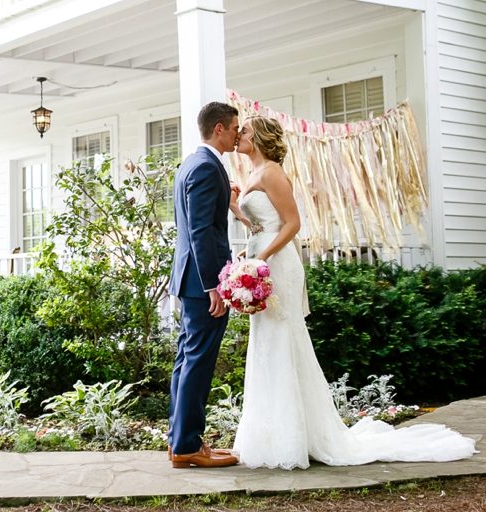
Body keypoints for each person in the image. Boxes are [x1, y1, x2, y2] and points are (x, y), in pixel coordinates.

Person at [231, 115, 476, 469]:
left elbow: (293, 223)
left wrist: (264, 256)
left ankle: (297, 437)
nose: (239, 135)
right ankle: (273, 435)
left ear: (263, 138)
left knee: (283, 336)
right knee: (266, 339)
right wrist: (238, 213)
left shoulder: (271, 172)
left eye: (245, 131)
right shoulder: (252, 175)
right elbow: (261, 226)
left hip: (277, 264)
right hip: (260, 257)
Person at [168, 101, 240, 469]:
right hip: (202, 283)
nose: (237, 134)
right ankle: (187, 446)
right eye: (234, 128)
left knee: (186, 359)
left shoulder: (191, 165)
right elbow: (199, 230)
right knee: (197, 361)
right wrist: (215, 284)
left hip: (189, 279)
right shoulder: (209, 168)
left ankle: (179, 440)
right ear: (218, 129)